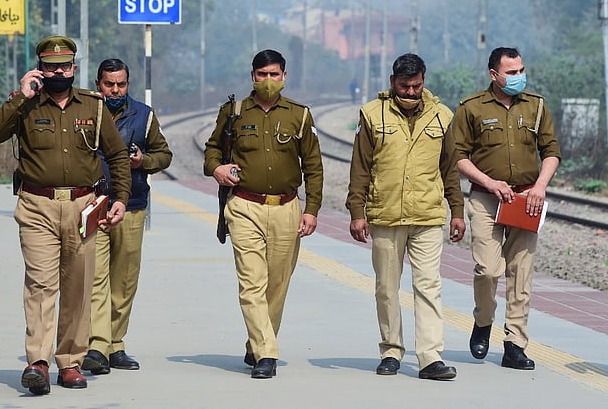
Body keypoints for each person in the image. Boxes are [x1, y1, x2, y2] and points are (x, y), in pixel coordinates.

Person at [0, 36, 132, 395]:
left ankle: (70, 362)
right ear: (40, 68)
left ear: (74, 68)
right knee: (41, 284)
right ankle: (37, 362)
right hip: (37, 208)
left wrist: (120, 199)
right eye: (51, 66)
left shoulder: (94, 107)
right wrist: (22, 96)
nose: (58, 72)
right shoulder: (26, 105)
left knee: (77, 289)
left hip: (84, 207)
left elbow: (117, 157)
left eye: (64, 66)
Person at [203, 49, 324, 379]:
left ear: (284, 76)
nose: (268, 81)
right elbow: (213, 149)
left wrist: (311, 210)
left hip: (286, 208)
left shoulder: (299, 115)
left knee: (277, 285)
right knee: (251, 283)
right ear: (252, 77)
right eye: (262, 75)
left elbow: (313, 165)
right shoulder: (234, 112)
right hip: (244, 206)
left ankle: (256, 341)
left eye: (274, 74)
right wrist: (217, 168)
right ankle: (267, 354)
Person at [346, 53, 466, 380]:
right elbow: (360, 169)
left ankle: (430, 356)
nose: (411, 92)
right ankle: (391, 350)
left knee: (428, 285)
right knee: (387, 287)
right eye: (404, 86)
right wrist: (357, 212)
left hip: (427, 216)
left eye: (417, 86)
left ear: (424, 81)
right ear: (392, 82)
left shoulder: (442, 116)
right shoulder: (372, 115)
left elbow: (450, 169)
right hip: (385, 215)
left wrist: (457, 210)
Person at [447, 46, 561, 370]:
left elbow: (551, 151)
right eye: (511, 73)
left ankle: (515, 344)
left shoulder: (536, 106)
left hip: (526, 200)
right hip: (486, 198)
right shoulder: (471, 108)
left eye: (521, 70)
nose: (518, 77)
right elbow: (457, 158)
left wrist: (540, 186)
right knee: (488, 269)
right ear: (493, 75)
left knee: (520, 273)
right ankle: (483, 321)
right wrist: (490, 182)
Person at [82, 58, 173, 375]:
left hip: (131, 206)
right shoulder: (84, 111)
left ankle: (115, 344)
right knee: (95, 279)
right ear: (98, 84)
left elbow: (164, 155)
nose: (116, 90)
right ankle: (96, 347)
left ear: (128, 84)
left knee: (124, 280)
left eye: (121, 84)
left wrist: (143, 160)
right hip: (92, 206)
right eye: (110, 84)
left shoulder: (143, 116)